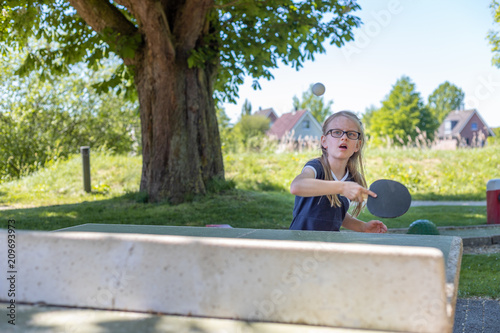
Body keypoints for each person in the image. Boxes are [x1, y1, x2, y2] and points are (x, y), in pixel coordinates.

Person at [289, 110, 387, 233]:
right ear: (324, 141)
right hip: (300, 244)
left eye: (351, 134)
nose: (344, 137)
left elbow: (336, 215)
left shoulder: (351, 179)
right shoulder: (316, 167)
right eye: (337, 132)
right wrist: (341, 187)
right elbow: (296, 187)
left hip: (329, 246)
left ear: (357, 145)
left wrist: (362, 227)